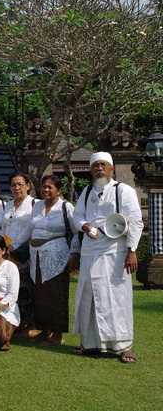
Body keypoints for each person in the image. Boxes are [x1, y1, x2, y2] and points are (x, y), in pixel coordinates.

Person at [71, 152, 143, 363]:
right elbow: (77, 215)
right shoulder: (86, 192)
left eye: (103, 165)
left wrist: (131, 250)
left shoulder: (124, 191)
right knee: (89, 295)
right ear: (91, 169)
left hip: (115, 251)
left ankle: (124, 346)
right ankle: (91, 344)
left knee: (117, 297)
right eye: (95, 165)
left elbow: (135, 221)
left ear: (112, 168)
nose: (99, 168)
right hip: (91, 250)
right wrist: (85, 226)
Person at [29, 175, 75, 346]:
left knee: (56, 294)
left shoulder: (65, 207)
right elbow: (29, 228)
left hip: (57, 257)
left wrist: (74, 255)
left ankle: (57, 334)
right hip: (36, 257)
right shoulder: (37, 205)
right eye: (44, 186)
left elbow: (77, 231)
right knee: (40, 294)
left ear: (58, 190)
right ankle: (45, 330)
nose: (46, 190)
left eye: (50, 187)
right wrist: (12, 244)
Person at [2, 172, 36, 336]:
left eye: (20, 184)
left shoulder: (34, 204)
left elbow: (30, 228)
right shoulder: (8, 205)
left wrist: (14, 245)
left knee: (26, 287)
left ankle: (30, 324)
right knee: (12, 287)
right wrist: (3, 246)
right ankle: (16, 321)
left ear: (28, 185)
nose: (17, 188)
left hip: (24, 252)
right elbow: (3, 227)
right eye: (14, 185)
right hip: (8, 252)